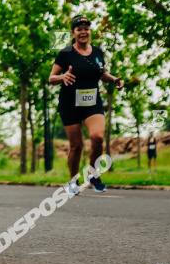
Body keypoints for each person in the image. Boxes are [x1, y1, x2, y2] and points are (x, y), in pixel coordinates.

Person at [48, 15, 123, 194]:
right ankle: (73, 181)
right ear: (73, 33)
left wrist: (113, 79)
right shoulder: (65, 53)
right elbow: (51, 78)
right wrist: (62, 77)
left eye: (86, 28)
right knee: (77, 146)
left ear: (90, 31)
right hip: (70, 104)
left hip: (91, 103)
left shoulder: (97, 52)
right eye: (79, 29)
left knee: (97, 137)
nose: (83, 32)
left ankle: (93, 174)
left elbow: (101, 73)